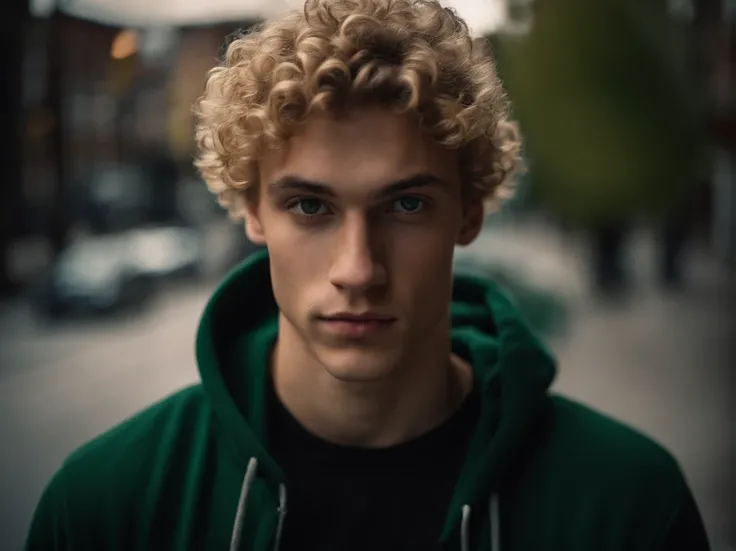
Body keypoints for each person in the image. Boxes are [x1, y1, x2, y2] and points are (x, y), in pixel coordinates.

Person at [25, 1, 710, 550]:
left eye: (407, 204)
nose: (358, 269)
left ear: (469, 210)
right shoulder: (107, 504)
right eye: (310, 205)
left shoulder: (627, 506)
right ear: (252, 209)